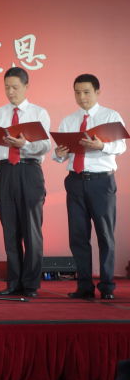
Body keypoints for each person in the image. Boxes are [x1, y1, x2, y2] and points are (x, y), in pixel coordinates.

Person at [0, 67, 50, 298]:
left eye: (15, 87)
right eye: (7, 87)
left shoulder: (39, 113)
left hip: (29, 171)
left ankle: (30, 284)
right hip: (4, 172)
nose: (10, 92)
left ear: (26, 86)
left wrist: (24, 145)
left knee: (31, 230)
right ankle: (13, 282)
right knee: (10, 229)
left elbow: (45, 146)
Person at [53, 73, 125, 300]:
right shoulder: (69, 120)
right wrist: (59, 153)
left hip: (101, 182)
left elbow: (121, 146)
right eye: (77, 92)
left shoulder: (110, 116)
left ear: (97, 92)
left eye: (86, 92)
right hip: (75, 181)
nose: (82, 97)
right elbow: (60, 156)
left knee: (105, 235)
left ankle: (107, 286)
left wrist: (101, 145)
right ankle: (84, 286)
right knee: (78, 236)